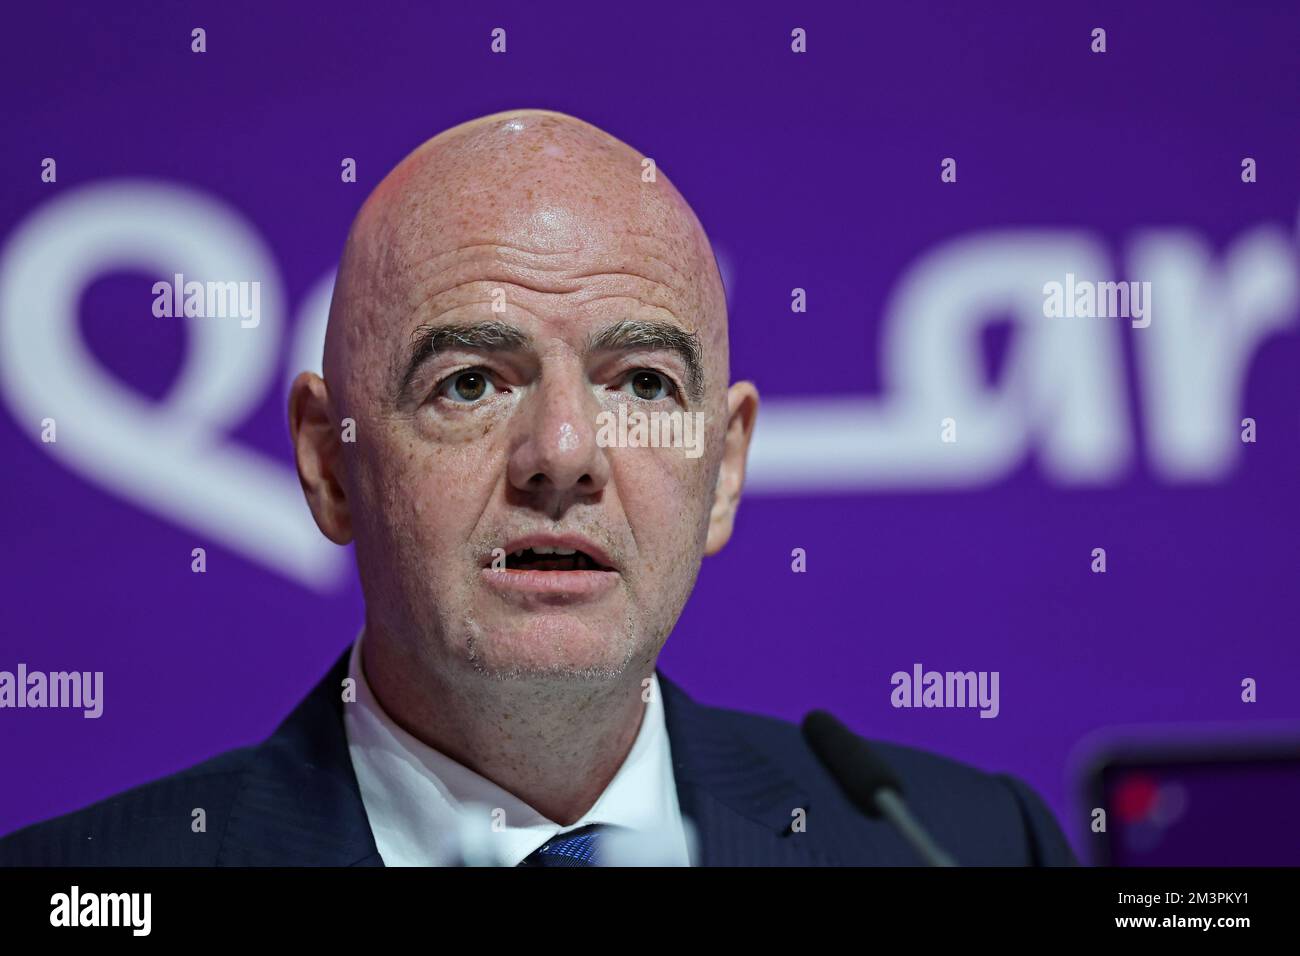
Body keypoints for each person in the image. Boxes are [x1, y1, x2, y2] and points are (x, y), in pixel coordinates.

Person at [0, 109, 1076, 866]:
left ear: (724, 469)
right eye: (470, 379)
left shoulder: (957, 843)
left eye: (641, 381)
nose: (562, 451)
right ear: (330, 461)